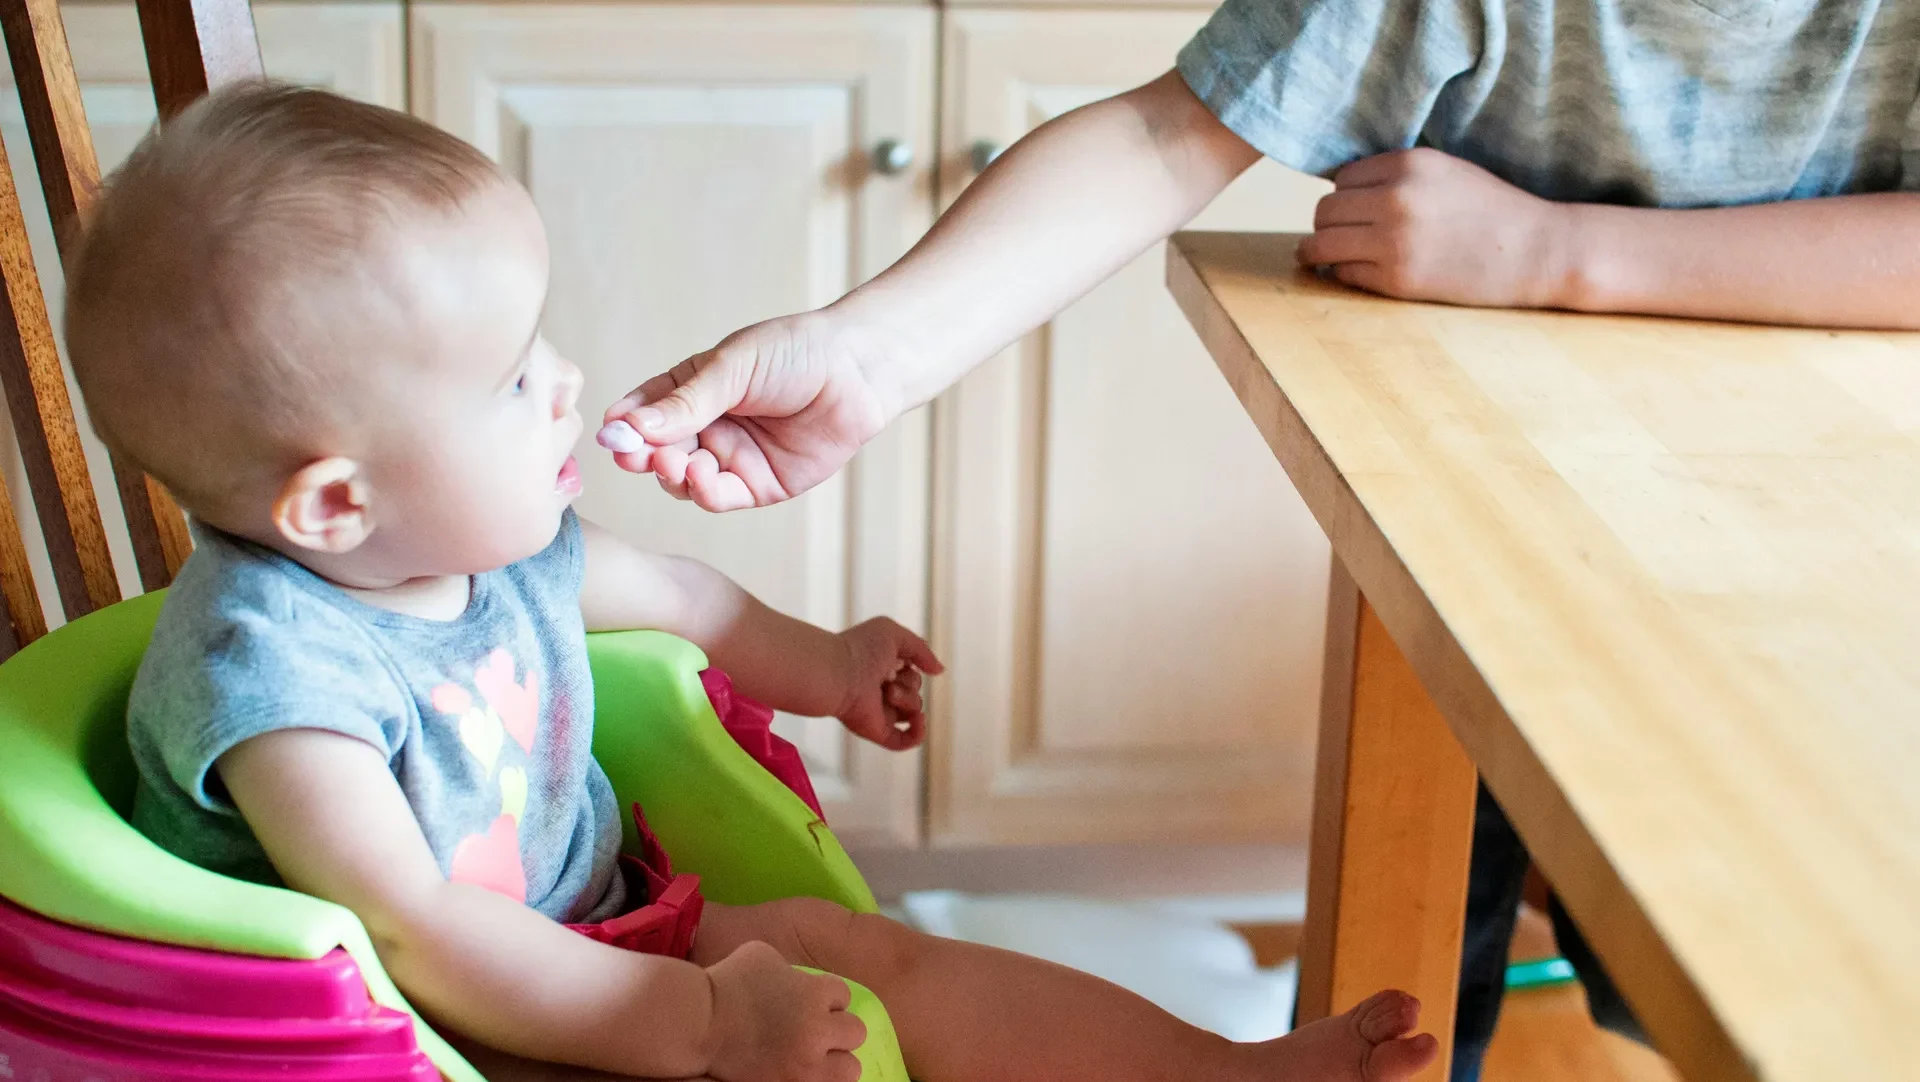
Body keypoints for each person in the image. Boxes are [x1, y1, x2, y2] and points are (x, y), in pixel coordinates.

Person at [594, 2, 1920, 1076]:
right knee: (1423, 962)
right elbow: (1173, 133)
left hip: (1803, 579)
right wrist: (867, 356)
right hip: (1475, 541)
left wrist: (1552, 250)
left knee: (1722, 972)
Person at [67, 82, 1439, 1082]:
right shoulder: (284, 686)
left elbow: (685, 596)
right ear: (335, 502)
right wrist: (708, 1024)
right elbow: (412, 934)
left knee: (866, 952)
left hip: (599, 929)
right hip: (417, 1031)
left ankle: (1220, 1071)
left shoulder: (481, 546)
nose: (566, 385)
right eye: (508, 381)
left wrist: (831, 664)